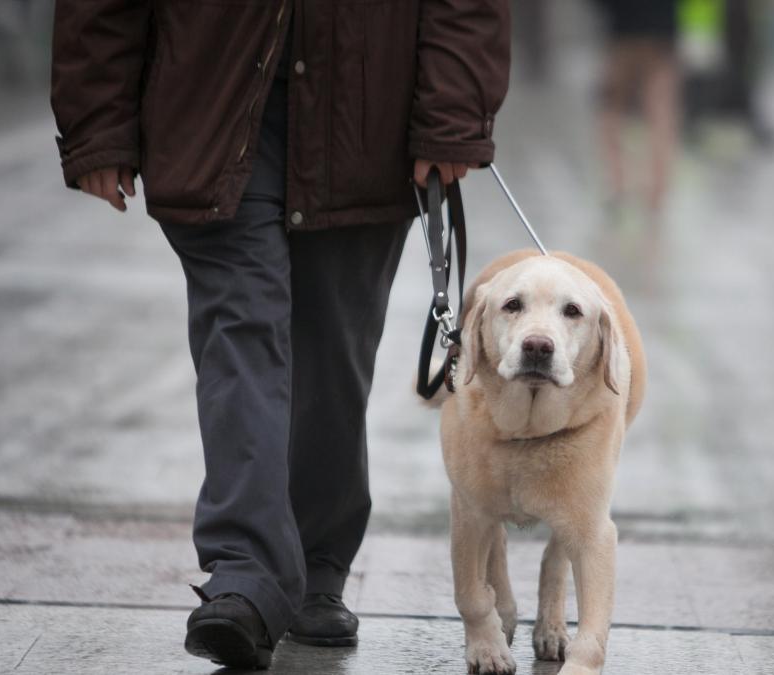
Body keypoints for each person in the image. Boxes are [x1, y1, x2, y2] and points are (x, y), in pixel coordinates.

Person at [50, 1, 510, 669]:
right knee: (242, 332)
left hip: (366, 113)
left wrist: (451, 117)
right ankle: (246, 569)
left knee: (332, 351)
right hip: (214, 105)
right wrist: (97, 119)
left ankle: (317, 566)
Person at [595, 0, 681, 219]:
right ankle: (656, 192)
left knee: (612, 109)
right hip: (662, 30)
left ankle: (618, 184)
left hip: (622, 28)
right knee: (660, 110)